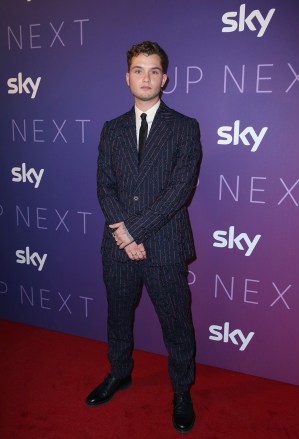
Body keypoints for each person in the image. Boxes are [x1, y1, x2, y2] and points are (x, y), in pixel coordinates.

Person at [86, 41, 202, 434]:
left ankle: (182, 392)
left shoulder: (185, 127)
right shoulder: (111, 129)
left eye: (154, 70)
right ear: (127, 77)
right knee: (118, 317)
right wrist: (123, 234)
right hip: (118, 248)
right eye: (139, 69)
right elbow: (105, 186)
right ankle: (119, 372)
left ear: (164, 78)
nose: (146, 77)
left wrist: (132, 231)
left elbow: (179, 191)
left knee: (177, 325)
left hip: (165, 246)